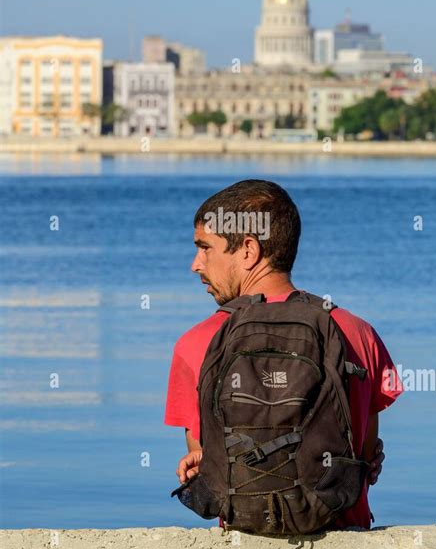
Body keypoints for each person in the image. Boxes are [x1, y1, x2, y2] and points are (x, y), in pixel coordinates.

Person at [164, 179, 404, 530]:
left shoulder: (195, 344)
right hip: (344, 542)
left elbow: (205, 464)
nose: (195, 264)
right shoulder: (359, 334)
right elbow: (366, 460)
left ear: (248, 250)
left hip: (244, 547)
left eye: (205, 248)